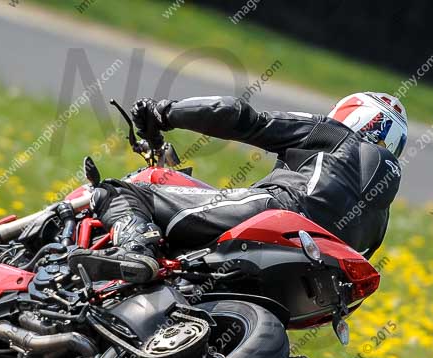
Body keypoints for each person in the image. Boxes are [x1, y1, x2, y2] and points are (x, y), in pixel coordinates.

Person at [68, 92, 408, 283]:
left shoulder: (333, 134)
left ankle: (137, 253)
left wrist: (164, 113)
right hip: (315, 279)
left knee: (121, 192)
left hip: (283, 211)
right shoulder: (380, 218)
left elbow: (239, 117)